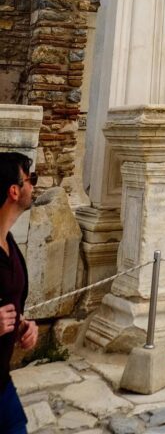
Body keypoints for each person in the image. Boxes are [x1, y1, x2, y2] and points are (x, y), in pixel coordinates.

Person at [0, 153, 39, 434]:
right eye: (30, 180)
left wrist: (23, 325)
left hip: (1, 383)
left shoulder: (9, 243)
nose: (34, 187)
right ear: (14, 191)